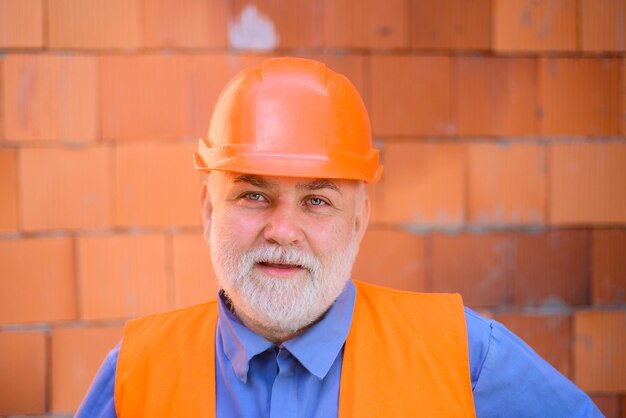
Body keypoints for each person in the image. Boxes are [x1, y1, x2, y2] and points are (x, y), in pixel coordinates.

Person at [77, 57, 601, 417]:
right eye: (253, 195)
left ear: (359, 221)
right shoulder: (135, 374)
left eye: (317, 201)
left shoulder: (464, 355)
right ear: (209, 211)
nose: (282, 230)